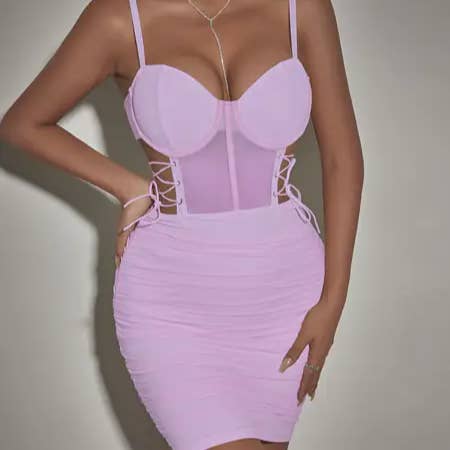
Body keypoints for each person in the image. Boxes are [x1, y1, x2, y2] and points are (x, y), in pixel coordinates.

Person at [0, 0, 364, 449]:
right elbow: (23, 124)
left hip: (284, 298)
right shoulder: (119, 17)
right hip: (174, 302)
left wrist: (333, 301)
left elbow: (342, 157)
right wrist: (129, 187)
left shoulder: (301, 8)